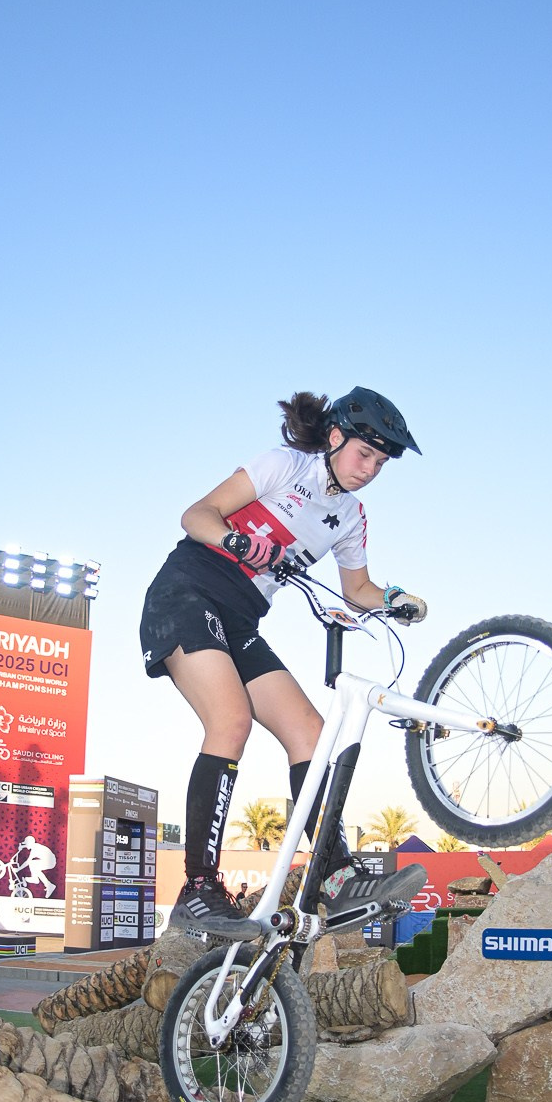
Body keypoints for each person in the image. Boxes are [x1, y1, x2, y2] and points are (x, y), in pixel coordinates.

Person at [139, 387, 428, 934]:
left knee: (311, 733)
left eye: (381, 463)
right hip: (186, 592)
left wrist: (393, 600)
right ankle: (198, 888)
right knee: (231, 722)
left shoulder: (350, 517)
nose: (370, 469)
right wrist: (236, 542)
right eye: (363, 454)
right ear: (336, 437)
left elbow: (358, 588)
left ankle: (335, 875)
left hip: (240, 619)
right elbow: (194, 514)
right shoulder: (282, 465)